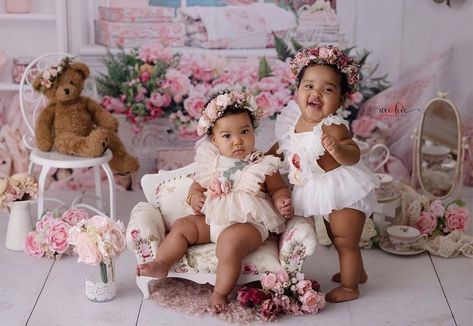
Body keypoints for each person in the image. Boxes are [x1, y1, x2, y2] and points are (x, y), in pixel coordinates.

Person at [137, 90, 294, 312]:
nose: (238, 140)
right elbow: (196, 186)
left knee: (228, 244)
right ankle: (161, 264)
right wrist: (195, 198)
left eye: (244, 132)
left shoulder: (262, 164)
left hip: (248, 224)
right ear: (214, 139)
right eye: (227, 136)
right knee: (182, 226)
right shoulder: (211, 162)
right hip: (212, 220)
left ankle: (220, 292)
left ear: (253, 132)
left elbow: (278, 188)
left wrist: (282, 200)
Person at [267, 46, 378, 303]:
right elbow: (283, 147)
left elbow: (354, 153)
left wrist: (338, 149)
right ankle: (357, 272)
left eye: (328, 89)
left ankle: (351, 288)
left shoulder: (333, 125)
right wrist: (264, 159)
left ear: (340, 101)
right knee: (334, 234)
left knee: (343, 240)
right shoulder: (294, 120)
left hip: (344, 191)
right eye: (308, 86)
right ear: (298, 90)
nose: (316, 93)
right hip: (322, 191)